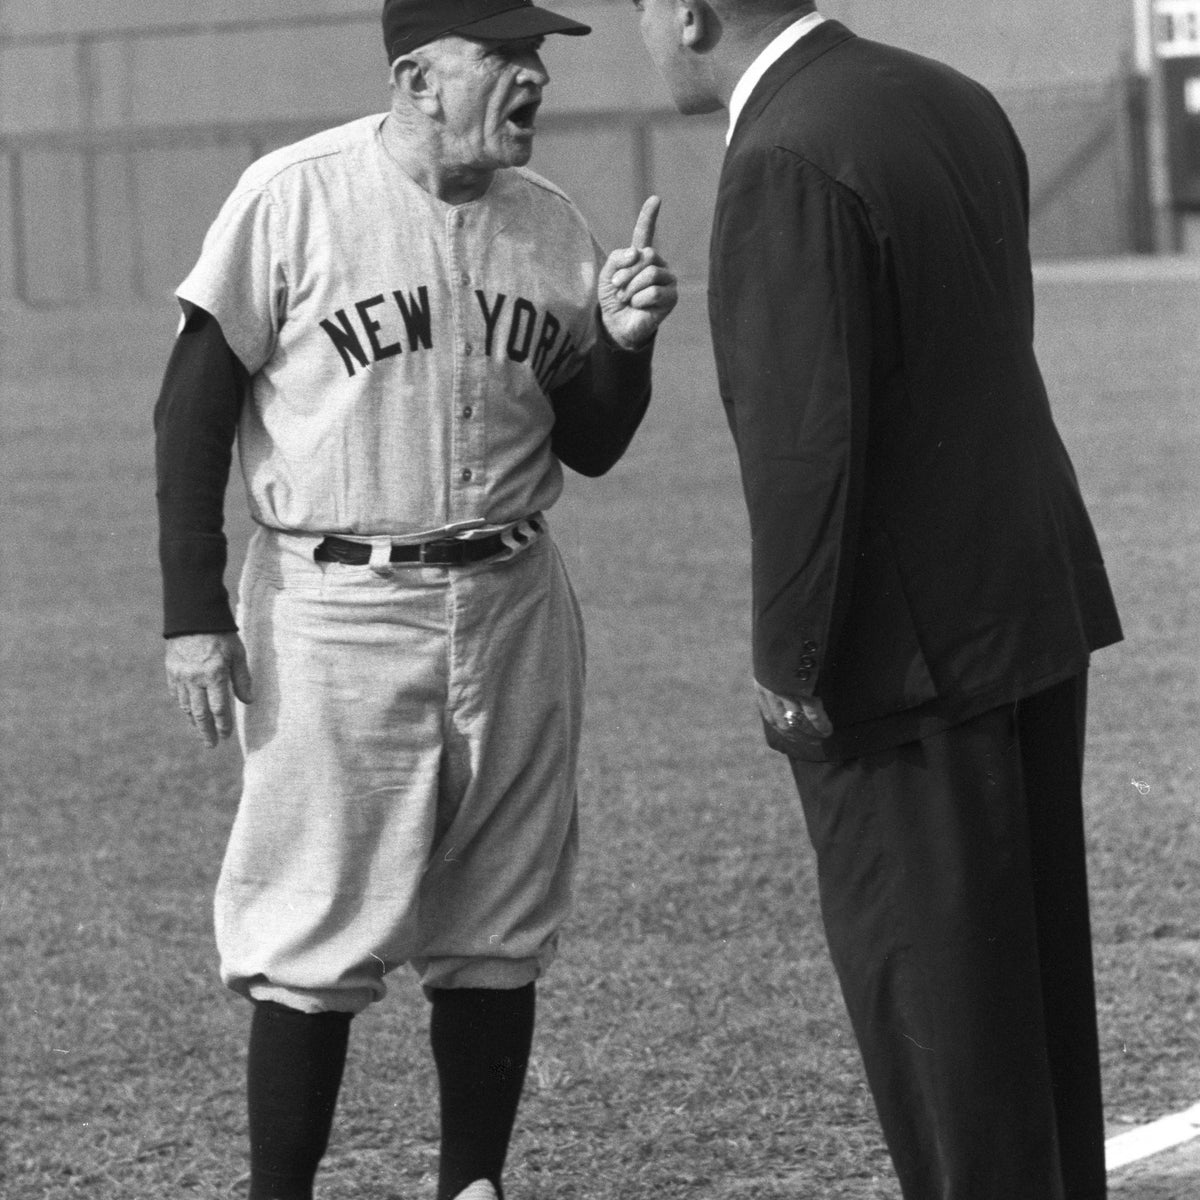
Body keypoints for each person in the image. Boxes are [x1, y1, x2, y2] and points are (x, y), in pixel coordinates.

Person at [153, 2, 677, 1198]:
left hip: (511, 599)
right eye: (507, 55)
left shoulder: (551, 228)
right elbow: (190, 408)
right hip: (334, 603)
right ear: (419, 77)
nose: (535, 75)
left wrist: (626, 346)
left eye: (540, 56)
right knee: (311, 921)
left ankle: (472, 1186)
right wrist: (193, 610)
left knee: (497, 920)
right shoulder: (293, 196)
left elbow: (590, 442)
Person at [633, 2, 1122, 1198]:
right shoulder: (945, 93)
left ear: (690, 14)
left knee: (948, 1042)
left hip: (904, 665)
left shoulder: (785, 154)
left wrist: (792, 673)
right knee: (1036, 1024)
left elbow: (808, 450)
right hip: (1029, 602)